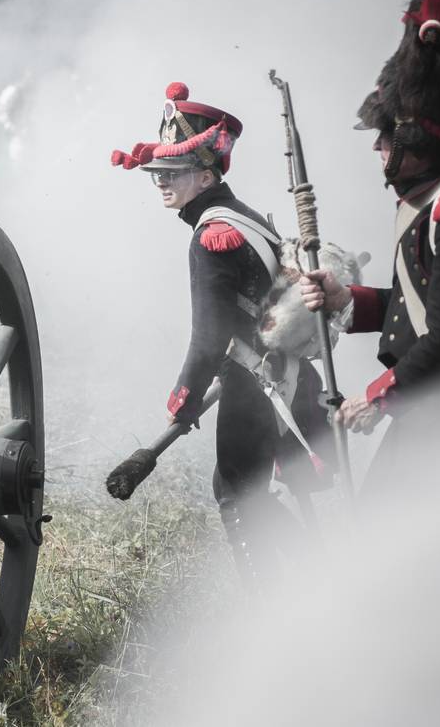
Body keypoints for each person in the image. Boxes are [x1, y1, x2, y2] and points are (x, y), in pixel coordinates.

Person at [112, 83, 330, 587]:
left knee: (236, 495)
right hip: (283, 377)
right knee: (250, 493)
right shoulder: (243, 218)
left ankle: (269, 603)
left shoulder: (213, 236)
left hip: (257, 386)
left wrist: (184, 397)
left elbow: (209, 334)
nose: (162, 182)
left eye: (173, 172)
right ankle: (317, 583)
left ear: (206, 175)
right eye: (158, 173)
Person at [300, 0, 440, 496]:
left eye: (386, 137)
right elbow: (420, 305)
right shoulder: (433, 202)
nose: (378, 150)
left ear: (418, 138)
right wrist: (347, 299)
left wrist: (380, 395)